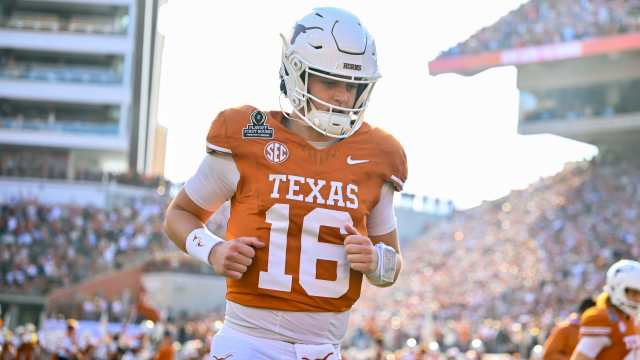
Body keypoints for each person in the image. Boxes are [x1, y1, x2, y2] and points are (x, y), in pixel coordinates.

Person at [164, 7, 407, 360]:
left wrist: (374, 260)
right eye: (330, 81)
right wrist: (212, 249)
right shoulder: (248, 134)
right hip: (248, 343)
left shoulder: (379, 155)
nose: (342, 96)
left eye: (352, 85)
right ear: (297, 73)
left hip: (325, 349)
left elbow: (391, 268)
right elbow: (180, 215)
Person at [570, 260, 640, 360]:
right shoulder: (602, 319)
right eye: (633, 293)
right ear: (617, 288)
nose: (638, 299)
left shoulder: (631, 319)